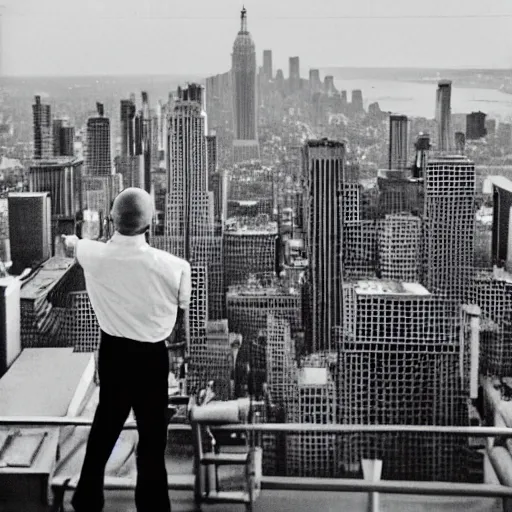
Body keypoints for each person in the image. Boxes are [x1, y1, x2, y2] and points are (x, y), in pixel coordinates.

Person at [63, 187, 191, 512]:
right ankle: (152, 506)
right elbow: (182, 317)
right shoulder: (177, 267)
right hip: (152, 357)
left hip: (114, 353)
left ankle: (87, 499)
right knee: (152, 440)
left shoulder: (94, 254)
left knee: (104, 428)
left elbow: (70, 246)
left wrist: (82, 239)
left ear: (110, 219)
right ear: (153, 223)